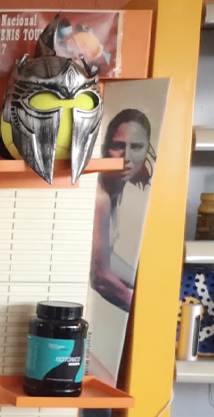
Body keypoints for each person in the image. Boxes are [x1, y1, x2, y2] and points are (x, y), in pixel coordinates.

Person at [90, 108, 155, 312]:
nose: (126, 157)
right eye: (118, 146)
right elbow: (100, 277)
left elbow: (103, 257)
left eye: (136, 147)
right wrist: (147, 309)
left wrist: (148, 287)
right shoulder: (100, 197)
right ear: (105, 148)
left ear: (147, 150)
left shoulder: (116, 190)